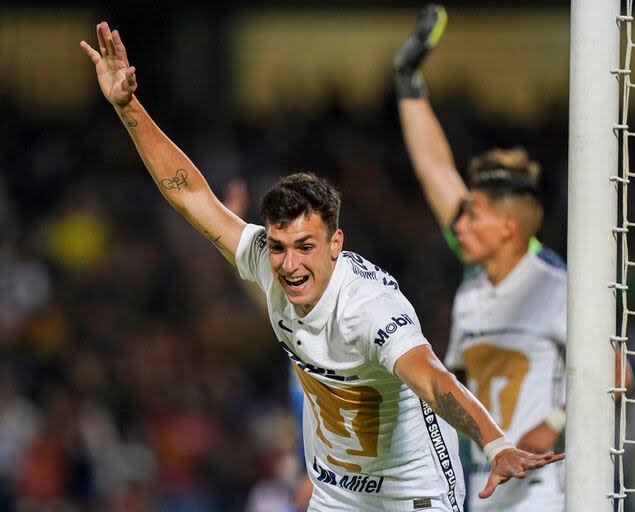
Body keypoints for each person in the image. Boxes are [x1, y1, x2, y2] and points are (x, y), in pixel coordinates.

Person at [80, 21, 563, 512]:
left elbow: (435, 379)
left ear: (336, 243)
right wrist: (128, 109)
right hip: (337, 497)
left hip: (412, 497)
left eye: (305, 247)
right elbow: (189, 195)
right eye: (279, 246)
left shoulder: (370, 305)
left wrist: (496, 443)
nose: (289, 264)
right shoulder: (264, 260)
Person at [394, 5, 633, 512]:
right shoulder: (478, 277)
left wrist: (554, 423)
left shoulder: (556, 287)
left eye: (471, 215)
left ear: (507, 227)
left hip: (547, 494)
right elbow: (434, 169)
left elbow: (621, 373)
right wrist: (408, 81)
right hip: (483, 490)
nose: (457, 225)